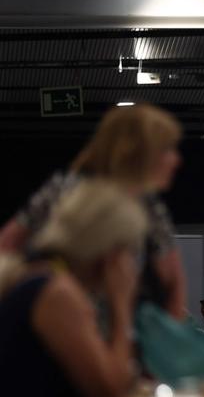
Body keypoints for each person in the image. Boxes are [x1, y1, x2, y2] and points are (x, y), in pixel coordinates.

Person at [0, 180, 149, 397]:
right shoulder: (57, 294)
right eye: (128, 251)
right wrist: (122, 305)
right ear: (109, 252)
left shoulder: (34, 277)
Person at [0, 103, 187, 320]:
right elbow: (172, 280)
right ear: (136, 150)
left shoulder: (65, 188)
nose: (176, 159)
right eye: (166, 149)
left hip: (90, 322)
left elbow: (173, 280)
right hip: (69, 320)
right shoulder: (142, 204)